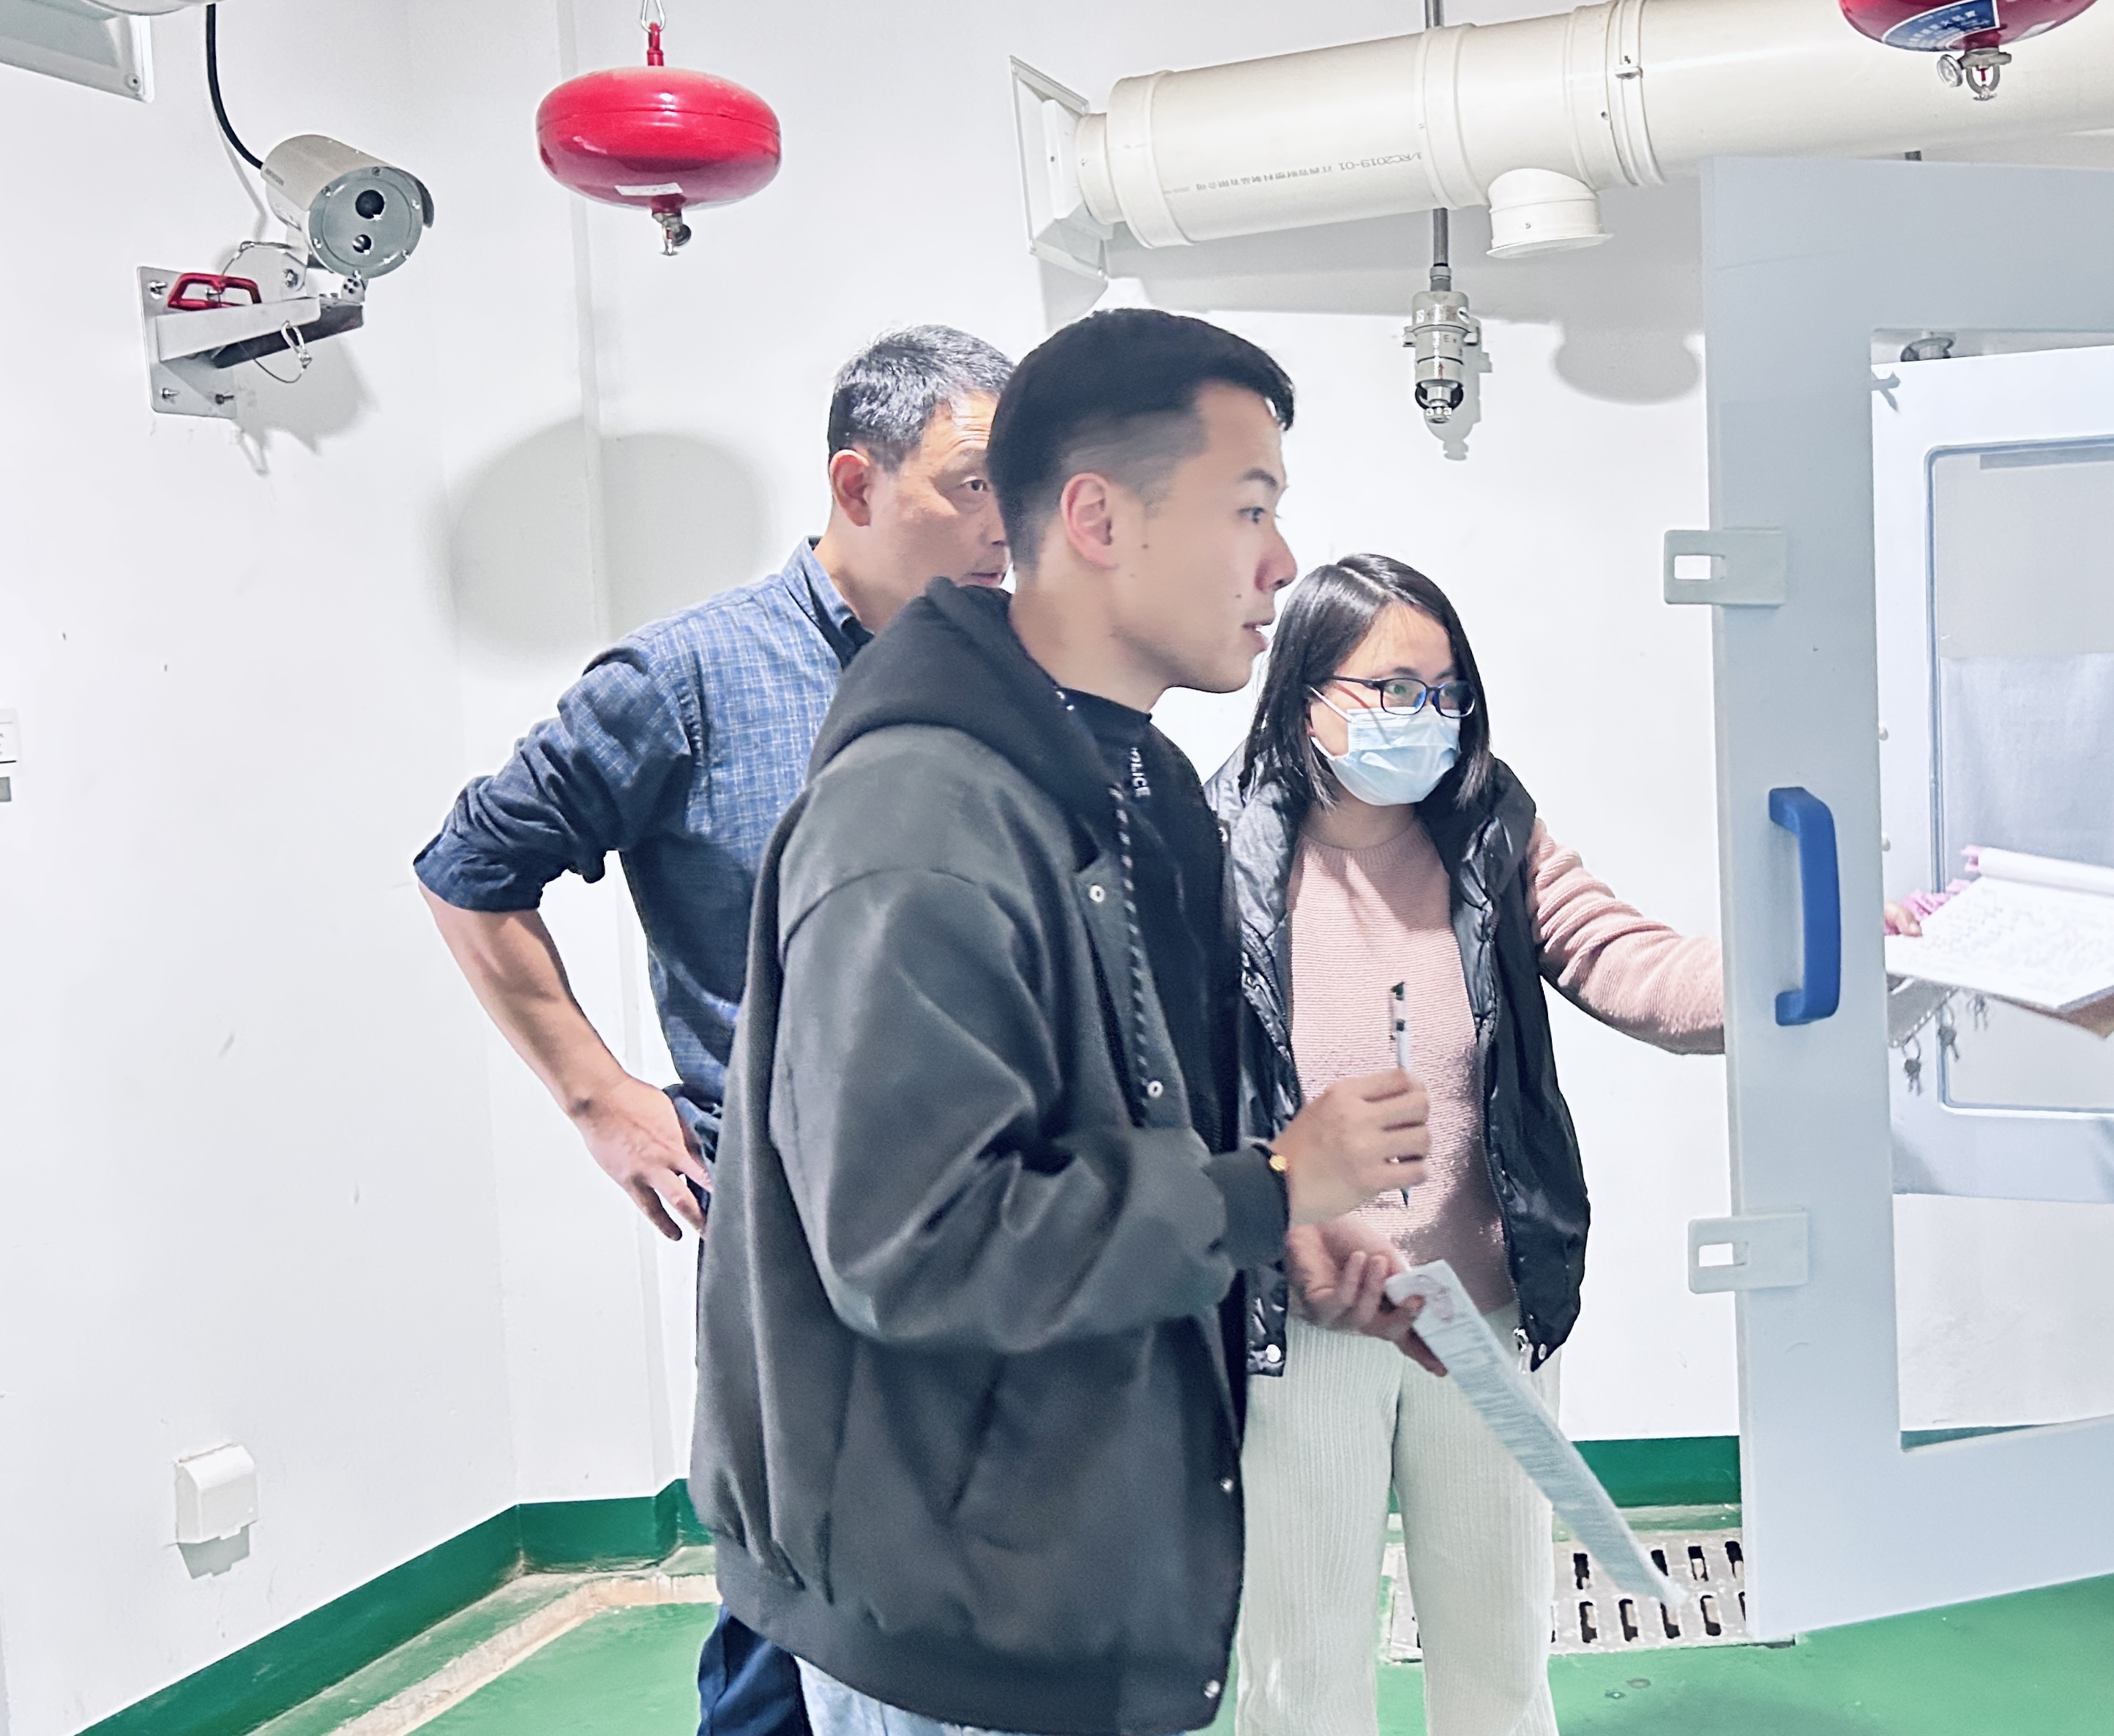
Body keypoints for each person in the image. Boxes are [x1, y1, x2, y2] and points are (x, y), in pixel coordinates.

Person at [689, 310, 1434, 1736]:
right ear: (1095, 518)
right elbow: (919, 1244)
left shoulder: (1138, 788)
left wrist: (1266, 1218)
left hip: (1069, 1557)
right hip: (949, 1612)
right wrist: (1263, 1187)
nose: (1282, 561)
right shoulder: (917, 818)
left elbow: (1123, 1117)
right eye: (1248, 508)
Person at [414, 325, 1015, 1736]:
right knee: (791, 1592)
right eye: (973, 483)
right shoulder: (689, 679)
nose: (1009, 524)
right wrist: (596, 1095)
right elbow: (469, 869)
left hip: (992, 1210)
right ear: (857, 484)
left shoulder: (1010, 674)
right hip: (793, 1234)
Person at [1208, 554, 1730, 1736]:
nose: (1425, 719)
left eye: (1445, 693)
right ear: (1305, 694)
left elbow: (1627, 959)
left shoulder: (1490, 826)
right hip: (1304, 1320)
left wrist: (1816, 966)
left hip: (1481, 1310)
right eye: (1393, 690)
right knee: (1300, 1672)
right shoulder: (1213, 843)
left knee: (1498, 1658)